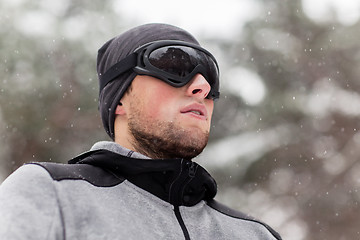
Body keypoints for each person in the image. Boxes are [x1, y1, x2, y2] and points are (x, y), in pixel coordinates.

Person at [0, 23, 282, 240]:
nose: (202, 86)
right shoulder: (50, 193)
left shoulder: (253, 234)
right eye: (175, 64)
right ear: (119, 98)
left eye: (210, 76)